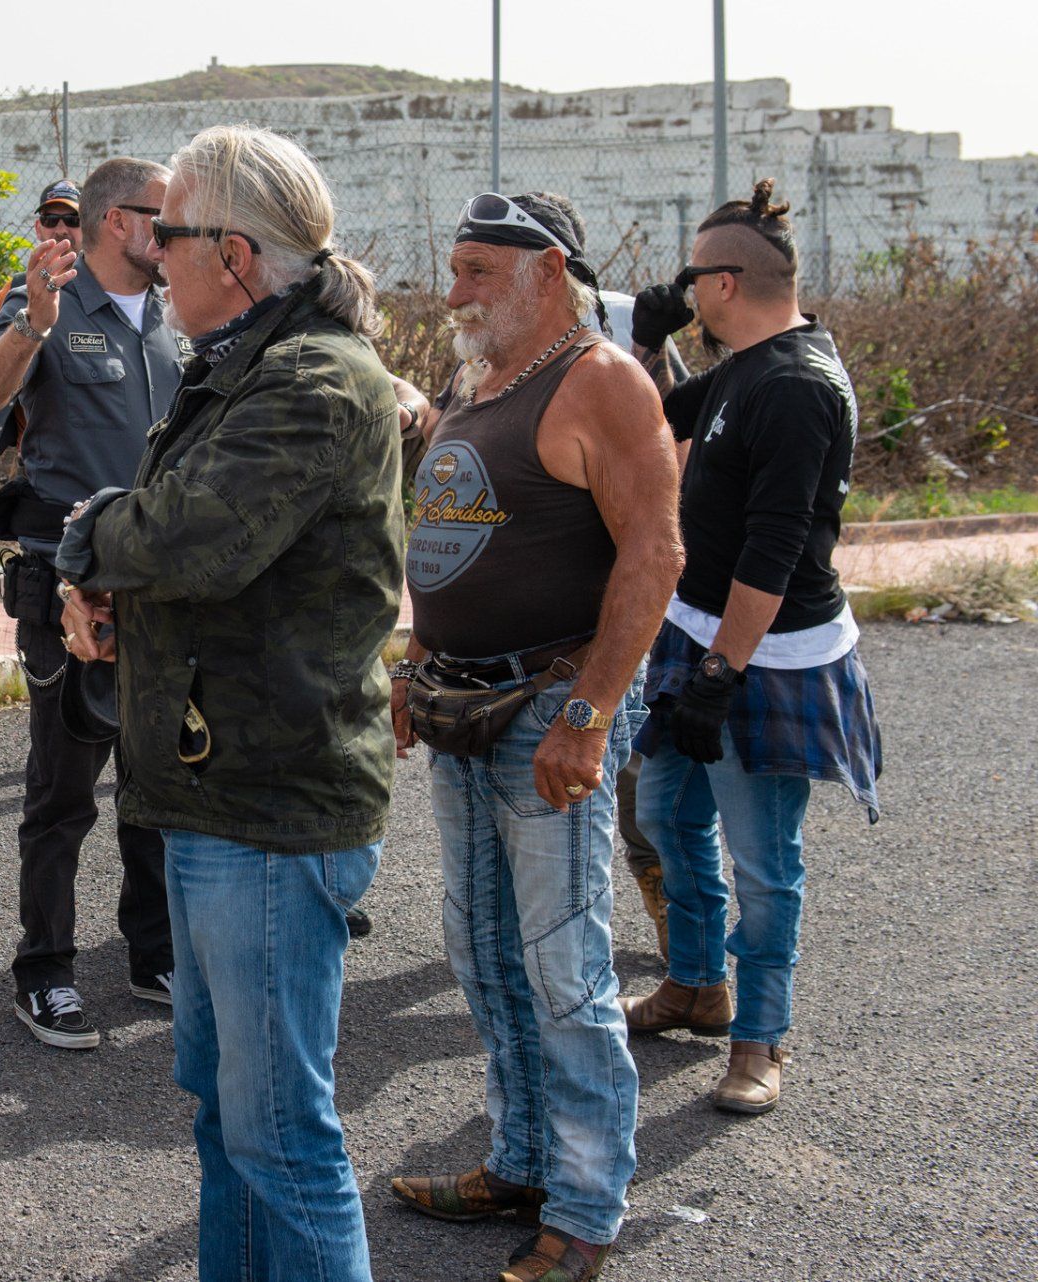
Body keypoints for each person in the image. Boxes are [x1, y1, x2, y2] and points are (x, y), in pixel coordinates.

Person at [55, 124, 405, 1282]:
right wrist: (110, 574)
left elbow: (191, 535)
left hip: (268, 807)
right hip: (219, 800)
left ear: (240, 255)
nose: (156, 255)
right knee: (225, 1116)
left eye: (174, 235)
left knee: (280, 1135)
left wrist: (88, 542)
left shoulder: (312, 380)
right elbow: (176, 533)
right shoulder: (250, 362)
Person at [386, 191, 683, 1282]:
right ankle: (518, 1160)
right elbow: (452, 534)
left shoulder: (601, 379)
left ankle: (588, 1211)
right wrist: (418, 665)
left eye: (474, 270)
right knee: (485, 953)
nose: (453, 290)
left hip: (548, 715)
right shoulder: (481, 377)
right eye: (454, 268)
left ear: (545, 270)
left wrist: (592, 713)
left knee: (565, 970)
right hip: (465, 707)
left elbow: (655, 556)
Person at [619, 180, 881, 1116]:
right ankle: (696, 983)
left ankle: (759, 1038)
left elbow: (779, 550)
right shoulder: (746, 365)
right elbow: (658, 426)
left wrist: (722, 675)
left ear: (725, 282)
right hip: (701, 629)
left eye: (690, 278)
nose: (684, 288)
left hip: (765, 651)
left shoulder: (798, 386)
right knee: (669, 810)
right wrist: (647, 342)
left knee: (764, 858)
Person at [0, 157, 182, 1049]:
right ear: (115, 221)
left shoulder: (176, 314)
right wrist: (32, 329)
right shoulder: (48, 304)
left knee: (155, 783)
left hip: (160, 588)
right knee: (63, 792)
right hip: (67, 587)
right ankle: (43, 970)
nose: (175, 234)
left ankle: (151, 950)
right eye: (161, 218)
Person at [534, 190, 692, 961]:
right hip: (537, 605)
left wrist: (653, 349)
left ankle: (676, 940)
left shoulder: (626, 320)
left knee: (629, 778)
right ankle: (541, 943)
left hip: (619, 590)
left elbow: (676, 438)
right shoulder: (497, 331)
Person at [0, 179, 85, 472]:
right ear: (38, 228)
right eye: (50, 219)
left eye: (72, 219)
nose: (61, 228)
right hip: (35, 455)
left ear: (89, 226)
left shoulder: (108, 289)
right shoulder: (14, 292)